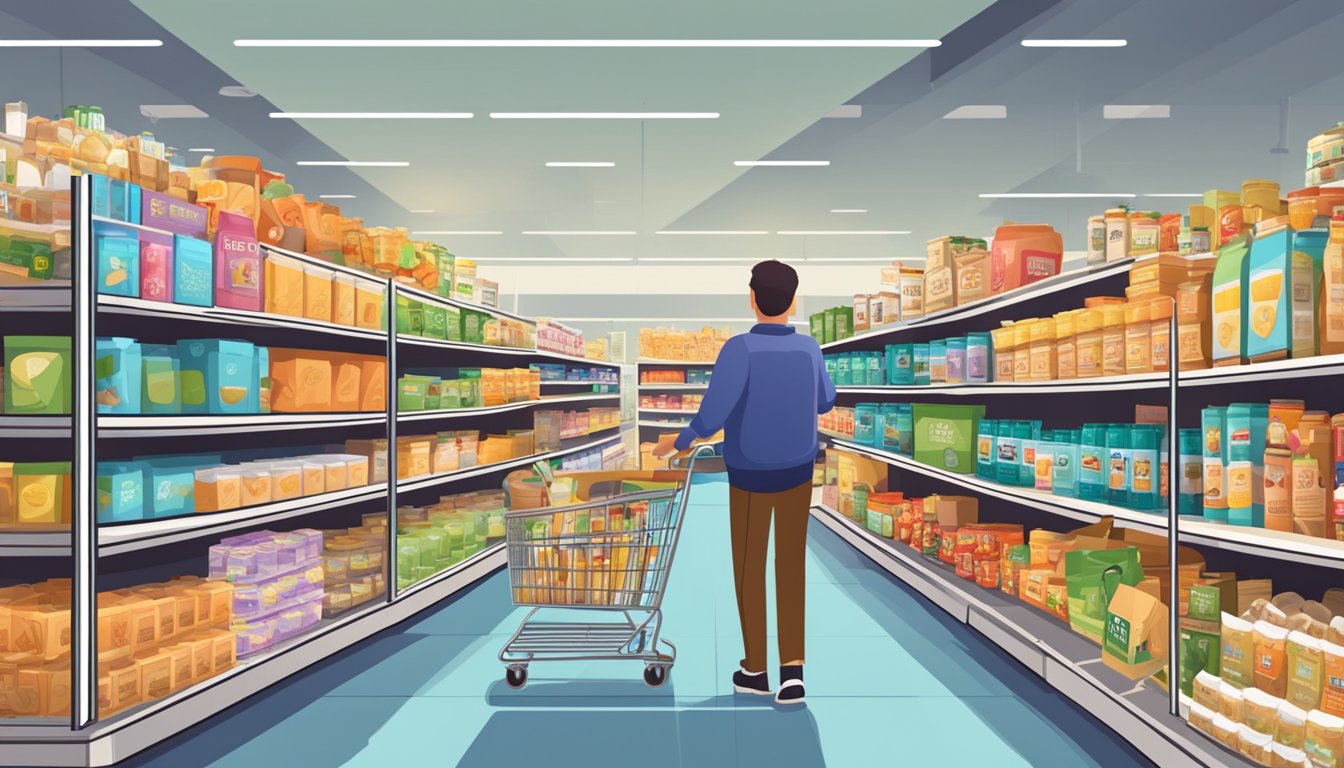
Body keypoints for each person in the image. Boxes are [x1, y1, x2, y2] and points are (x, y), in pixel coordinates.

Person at [653, 259, 835, 705]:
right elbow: (827, 401)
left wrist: (677, 443)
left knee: (751, 568)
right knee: (790, 567)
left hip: (751, 473)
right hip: (798, 470)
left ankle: (756, 669)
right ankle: (793, 671)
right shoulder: (810, 349)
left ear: (751, 298)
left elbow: (713, 414)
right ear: (793, 302)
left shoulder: (739, 349)